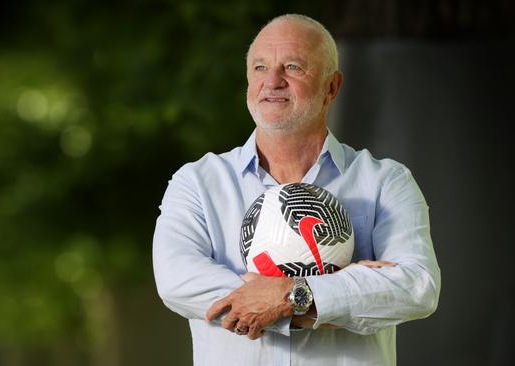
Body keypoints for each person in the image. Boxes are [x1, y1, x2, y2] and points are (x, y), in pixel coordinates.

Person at [152, 13, 440, 366]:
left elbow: (416, 287)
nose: (272, 81)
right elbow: (177, 282)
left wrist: (292, 296)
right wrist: (336, 296)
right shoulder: (197, 183)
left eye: (292, 67)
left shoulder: (386, 182)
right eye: (259, 67)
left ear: (331, 87)